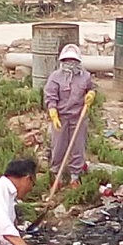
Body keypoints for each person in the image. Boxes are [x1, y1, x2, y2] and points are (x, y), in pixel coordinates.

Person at [44, 44, 96, 188]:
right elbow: (50, 96)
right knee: (58, 146)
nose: (70, 63)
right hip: (60, 117)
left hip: (78, 117)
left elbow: (91, 88)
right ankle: (57, 175)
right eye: (67, 60)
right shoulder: (55, 77)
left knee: (77, 147)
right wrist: (53, 112)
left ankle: (75, 176)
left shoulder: (85, 76)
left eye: (73, 61)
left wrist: (91, 94)